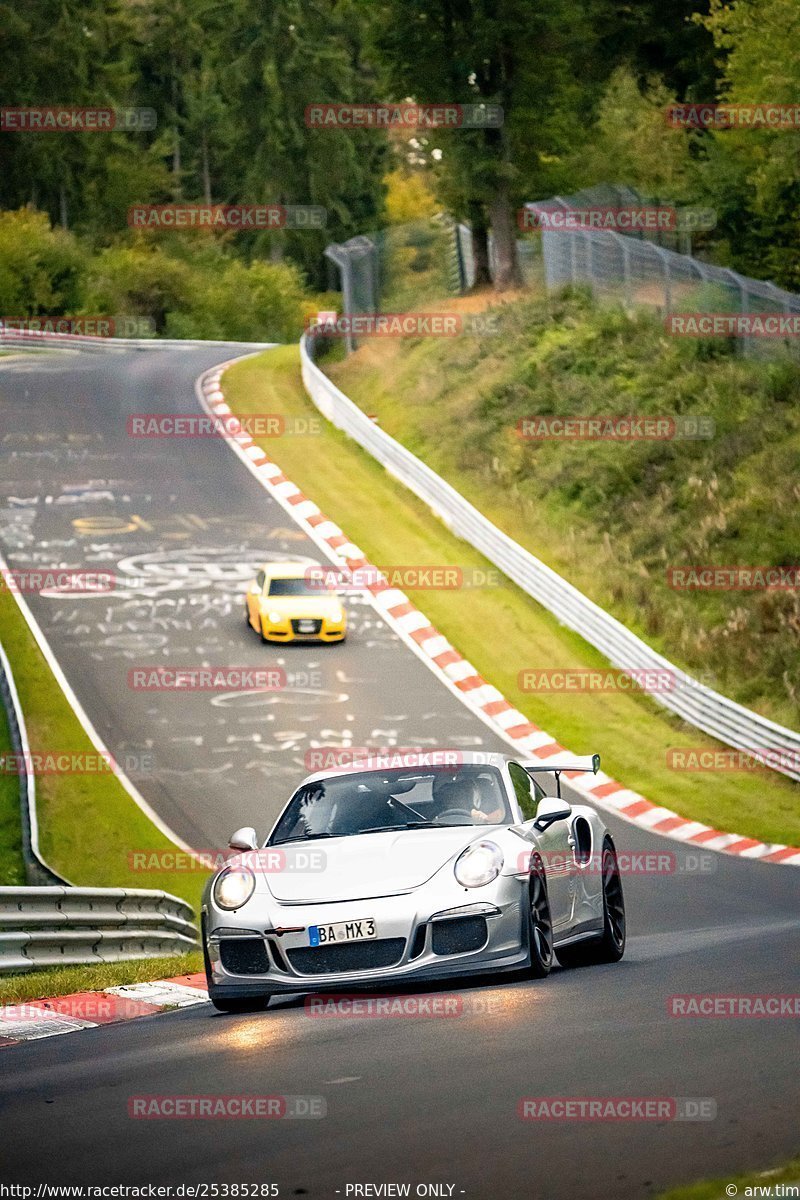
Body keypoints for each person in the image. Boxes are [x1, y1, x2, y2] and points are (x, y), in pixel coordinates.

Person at [431, 773, 506, 824]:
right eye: (449, 795)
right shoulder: (431, 817)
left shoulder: (499, 806)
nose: (455, 798)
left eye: (459, 793)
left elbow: (502, 821)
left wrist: (485, 819)